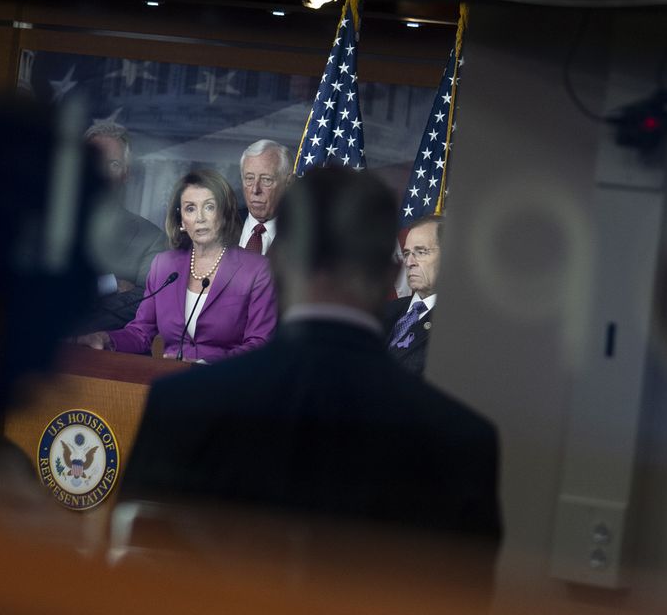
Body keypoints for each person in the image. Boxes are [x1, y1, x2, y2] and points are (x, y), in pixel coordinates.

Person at [120, 166, 501, 547]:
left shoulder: (179, 405)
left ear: (279, 263)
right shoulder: (465, 443)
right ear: (391, 274)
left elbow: (136, 574)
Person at [76, 168, 275, 362]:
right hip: (170, 383)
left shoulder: (256, 270)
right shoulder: (164, 266)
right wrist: (106, 339)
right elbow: (141, 333)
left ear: (224, 215)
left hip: (227, 385)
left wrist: (206, 363)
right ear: (181, 221)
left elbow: (259, 343)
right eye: (190, 208)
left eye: (209, 207)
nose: (200, 218)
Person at [78, 120, 173, 332]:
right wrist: (109, 284)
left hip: (96, 351)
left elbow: (144, 305)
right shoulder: (47, 224)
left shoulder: (152, 239)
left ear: (126, 174)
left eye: (113, 164)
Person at [384, 214, 442, 378]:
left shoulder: (457, 324)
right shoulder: (383, 311)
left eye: (421, 252)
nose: (409, 262)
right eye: (407, 253)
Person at [236, 138, 287, 255]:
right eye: (249, 178)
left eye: (266, 180)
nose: (255, 190)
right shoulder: (222, 224)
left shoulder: (303, 236)